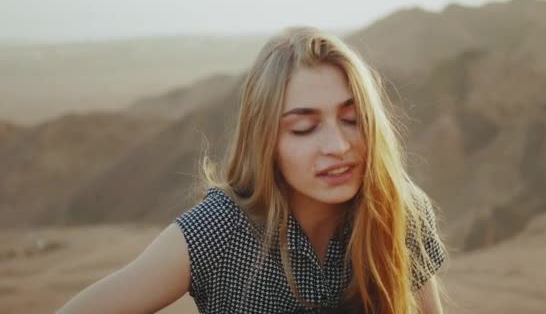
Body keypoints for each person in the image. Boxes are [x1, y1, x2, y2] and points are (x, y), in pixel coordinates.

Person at [58, 27, 447, 314]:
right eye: (304, 128)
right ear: (265, 141)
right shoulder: (221, 230)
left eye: (352, 119)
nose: (339, 146)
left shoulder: (400, 211)